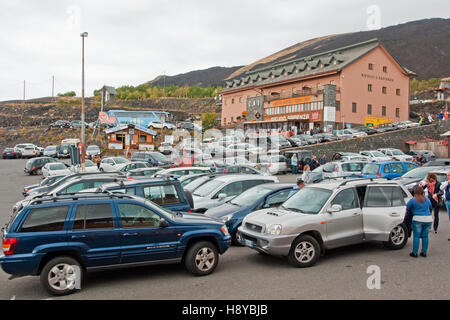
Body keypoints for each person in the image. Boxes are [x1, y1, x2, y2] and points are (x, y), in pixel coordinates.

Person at [405, 185, 433, 257]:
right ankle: (424, 252)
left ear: (415, 192)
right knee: (425, 236)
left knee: (416, 236)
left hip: (417, 219)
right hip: (428, 219)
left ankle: (415, 252)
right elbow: (430, 208)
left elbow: (408, 208)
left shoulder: (413, 200)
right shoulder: (427, 200)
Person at [439, 172, 450, 241]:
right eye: (448, 175)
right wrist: (447, 182)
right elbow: (441, 188)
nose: (448, 176)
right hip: (448, 202)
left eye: (449, 175)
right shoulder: (446, 183)